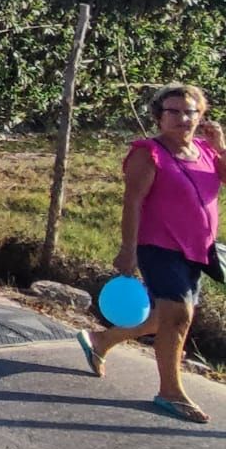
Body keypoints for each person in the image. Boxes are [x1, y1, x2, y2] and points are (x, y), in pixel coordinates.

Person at [78, 85, 221, 424]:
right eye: (174, 111)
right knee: (178, 315)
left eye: (191, 112)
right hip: (158, 246)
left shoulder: (205, 150)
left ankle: (100, 340)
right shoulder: (148, 152)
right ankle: (170, 392)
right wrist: (128, 250)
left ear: (201, 116)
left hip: (196, 248)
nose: (183, 118)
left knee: (164, 317)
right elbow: (133, 203)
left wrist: (221, 147)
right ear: (159, 116)